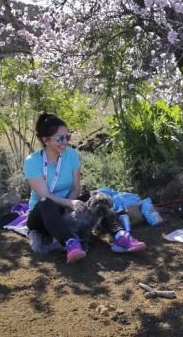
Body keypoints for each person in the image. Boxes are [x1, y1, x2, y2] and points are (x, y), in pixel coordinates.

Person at [25, 112, 146, 263]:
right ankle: (71, 244)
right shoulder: (32, 161)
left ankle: (120, 236)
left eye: (67, 137)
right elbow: (45, 195)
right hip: (42, 214)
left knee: (98, 197)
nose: (65, 142)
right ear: (45, 140)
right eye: (60, 138)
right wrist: (69, 204)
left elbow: (76, 187)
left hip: (66, 205)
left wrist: (69, 205)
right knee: (45, 202)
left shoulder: (71, 155)